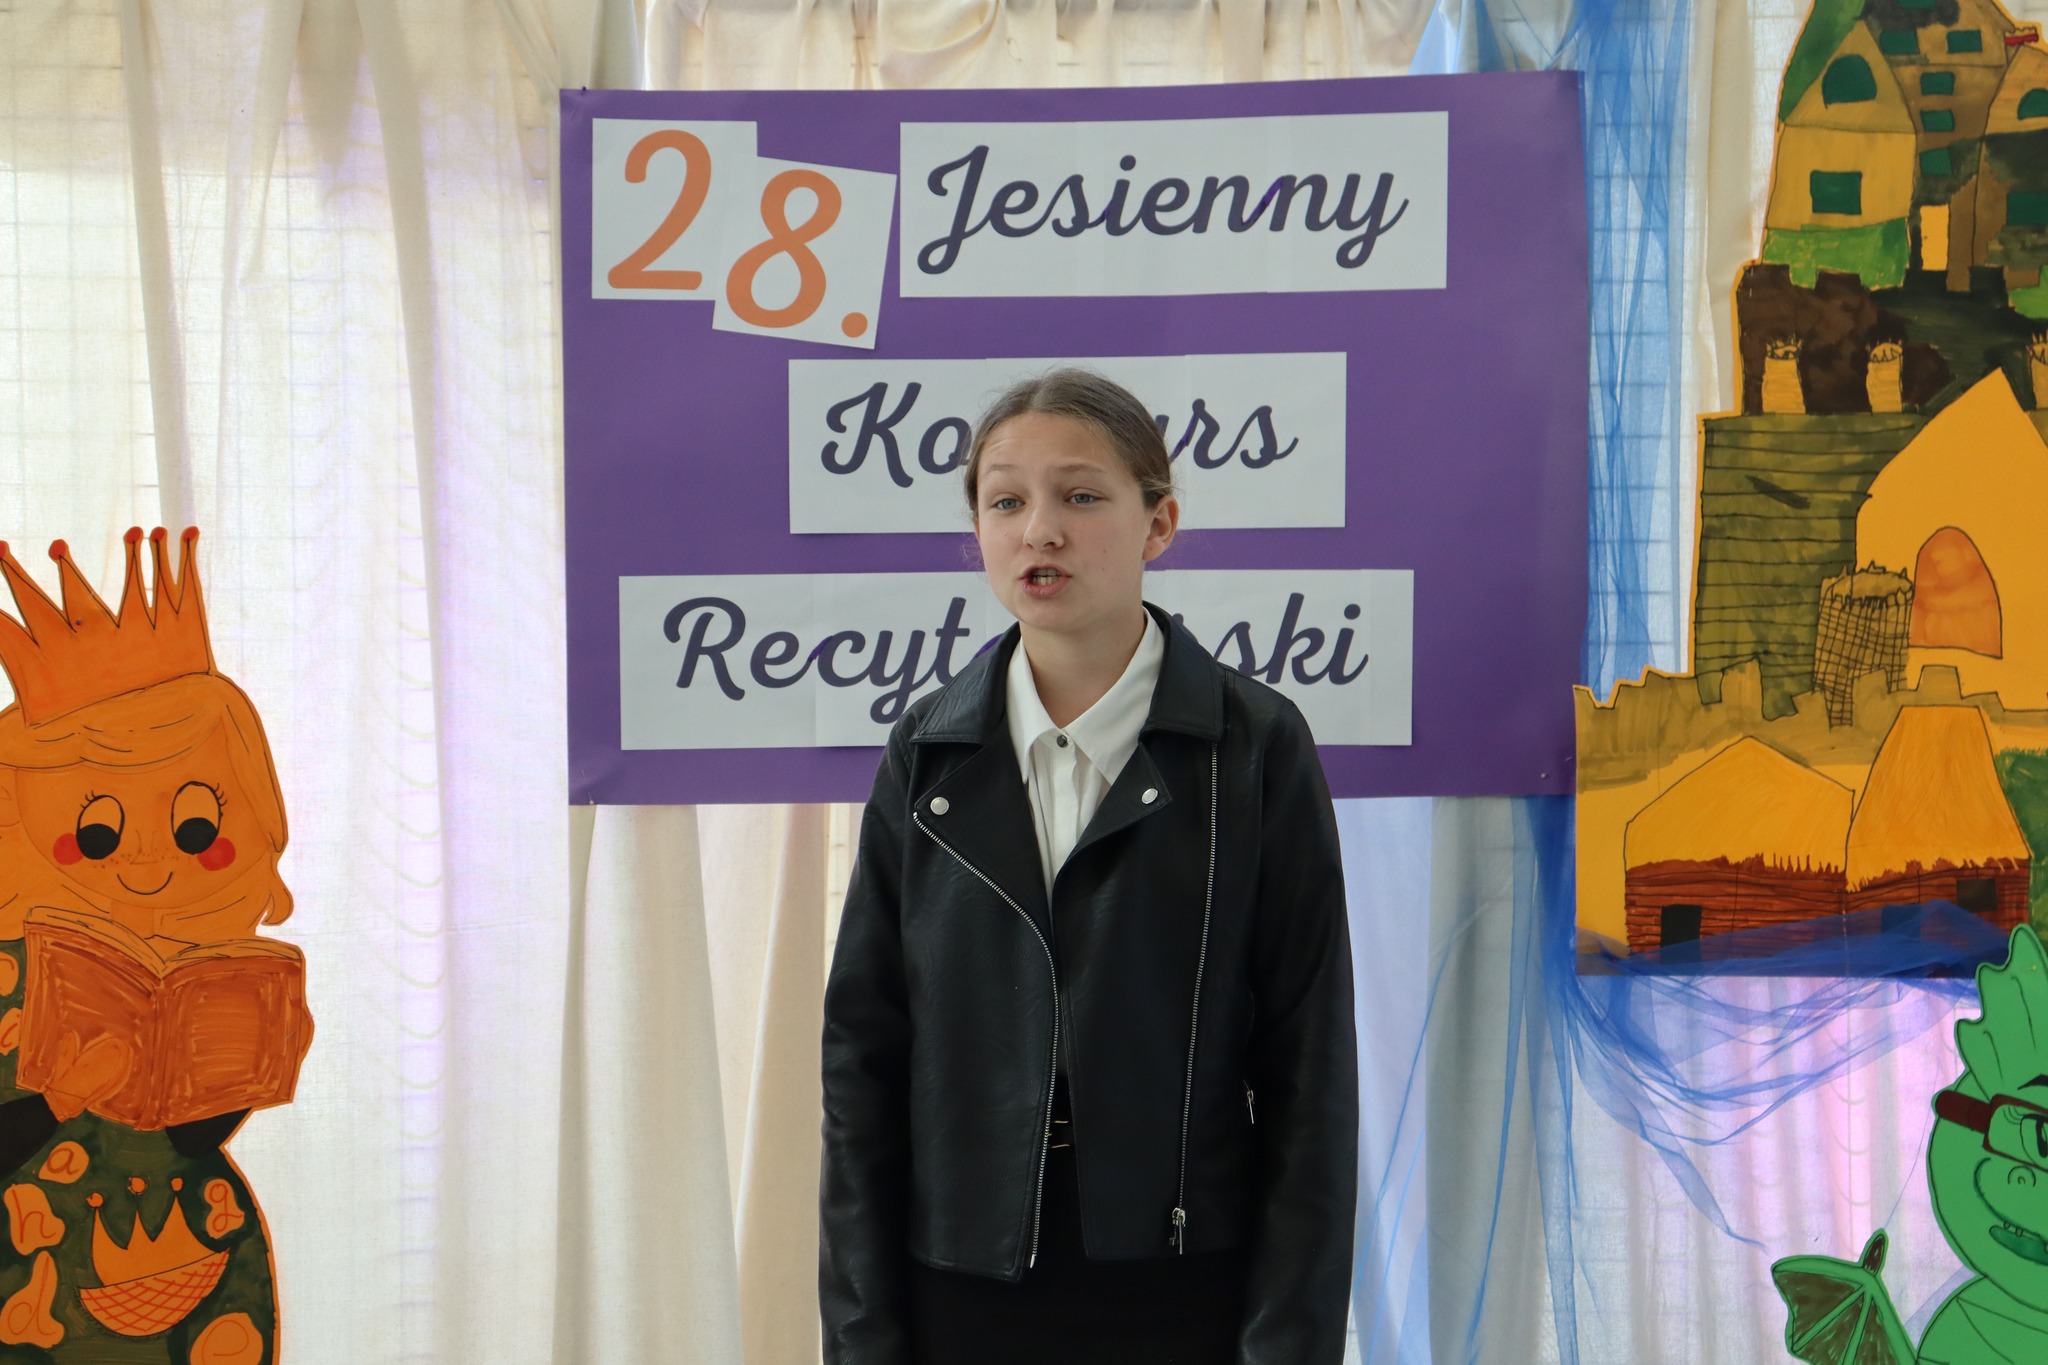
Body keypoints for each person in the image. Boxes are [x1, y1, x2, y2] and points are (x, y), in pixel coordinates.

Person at [820, 369, 1358, 1364]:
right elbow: (863, 1068)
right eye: (1005, 501)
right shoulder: (928, 753)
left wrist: (1290, 1340)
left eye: (1079, 495)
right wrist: (861, 1336)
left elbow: (1308, 1070)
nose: (1040, 531)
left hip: (1185, 1287)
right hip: (960, 1287)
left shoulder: (1253, 746)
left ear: (1159, 523)